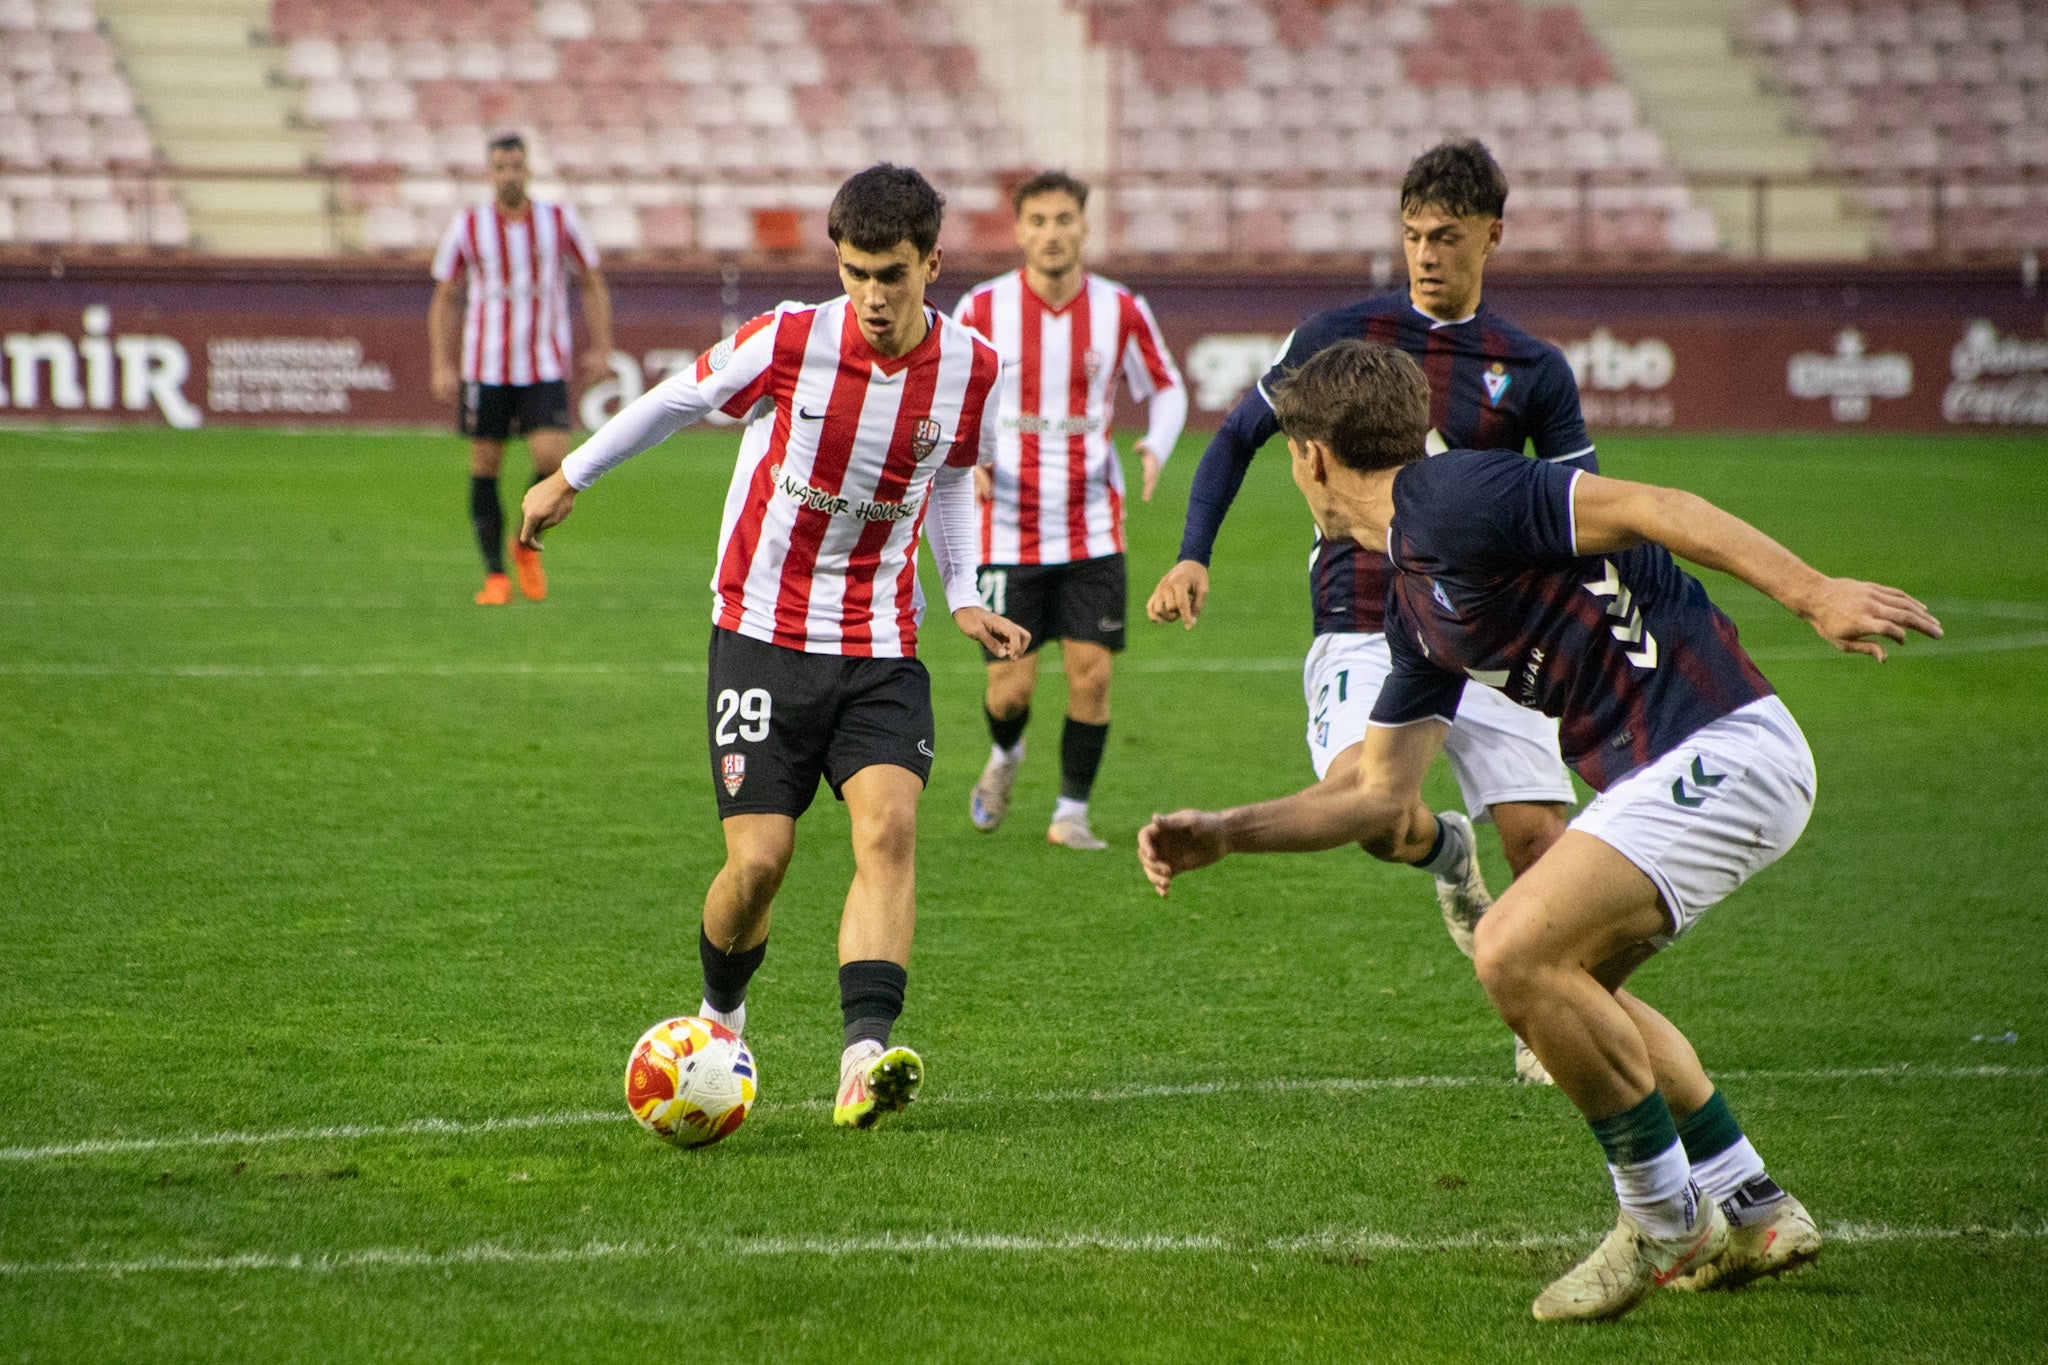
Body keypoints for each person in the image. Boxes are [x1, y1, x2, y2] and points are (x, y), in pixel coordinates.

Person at [1139, 339, 1941, 1321]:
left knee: (1511, 948)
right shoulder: (1414, 591)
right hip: (1675, 777)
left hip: (1722, 750)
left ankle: (1659, 1218)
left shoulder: (1453, 497)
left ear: (1305, 457)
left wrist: (1810, 592)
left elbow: (1655, 508)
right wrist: (1225, 830)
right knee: (1571, 986)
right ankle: (1749, 1202)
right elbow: (1376, 795)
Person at [520, 165, 1029, 1128]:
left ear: (933, 263)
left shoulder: (974, 368)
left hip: (881, 637)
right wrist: (571, 476)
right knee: (760, 864)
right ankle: (720, 1019)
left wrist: (962, 594)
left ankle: (862, 1057)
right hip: (759, 627)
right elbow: (675, 399)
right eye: (856, 273)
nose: (874, 297)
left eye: (894, 275)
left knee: (888, 829)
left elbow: (954, 476)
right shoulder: (792, 338)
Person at [1146, 139, 1590, 1082]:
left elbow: (1575, 508)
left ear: (1493, 237)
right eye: (1413, 234)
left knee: (1543, 842)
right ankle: (1445, 855)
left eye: (1448, 237)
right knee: (1376, 817)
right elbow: (1236, 436)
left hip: (1490, 621)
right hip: (1363, 613)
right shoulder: (1337, 335)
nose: (1426, 254)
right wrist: (1192, 552)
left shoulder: (1534, 369)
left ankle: (1549, 1011)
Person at [952, 170, 1187, 850]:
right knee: (1010, 692)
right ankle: (1005, 755)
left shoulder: (1120, 309)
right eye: (1038, 221)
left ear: (1084, 226)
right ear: (1020, 230)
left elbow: (1167, 389)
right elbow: (948, 388)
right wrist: (968, 457)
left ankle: (1071, 814)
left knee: (1092, 674)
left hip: (1091, 526)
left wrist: (1155, 442)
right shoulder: (982, 308)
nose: (1051, 233)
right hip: (1004, 531)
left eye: (1064, 220)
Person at [430, 132, 614, 605]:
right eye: (500, 167)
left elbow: (591, 281)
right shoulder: (468, 224)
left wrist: (602, 346)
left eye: (516, 166)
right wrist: (441, 362)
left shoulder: (558, 219)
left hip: (544, 362)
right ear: (490, 173)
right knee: (485, 466)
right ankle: (495, 576)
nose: (509, 174)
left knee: (552, 461)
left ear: (528, 169)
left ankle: (523, 542)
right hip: (484, 366)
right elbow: (446, 296)